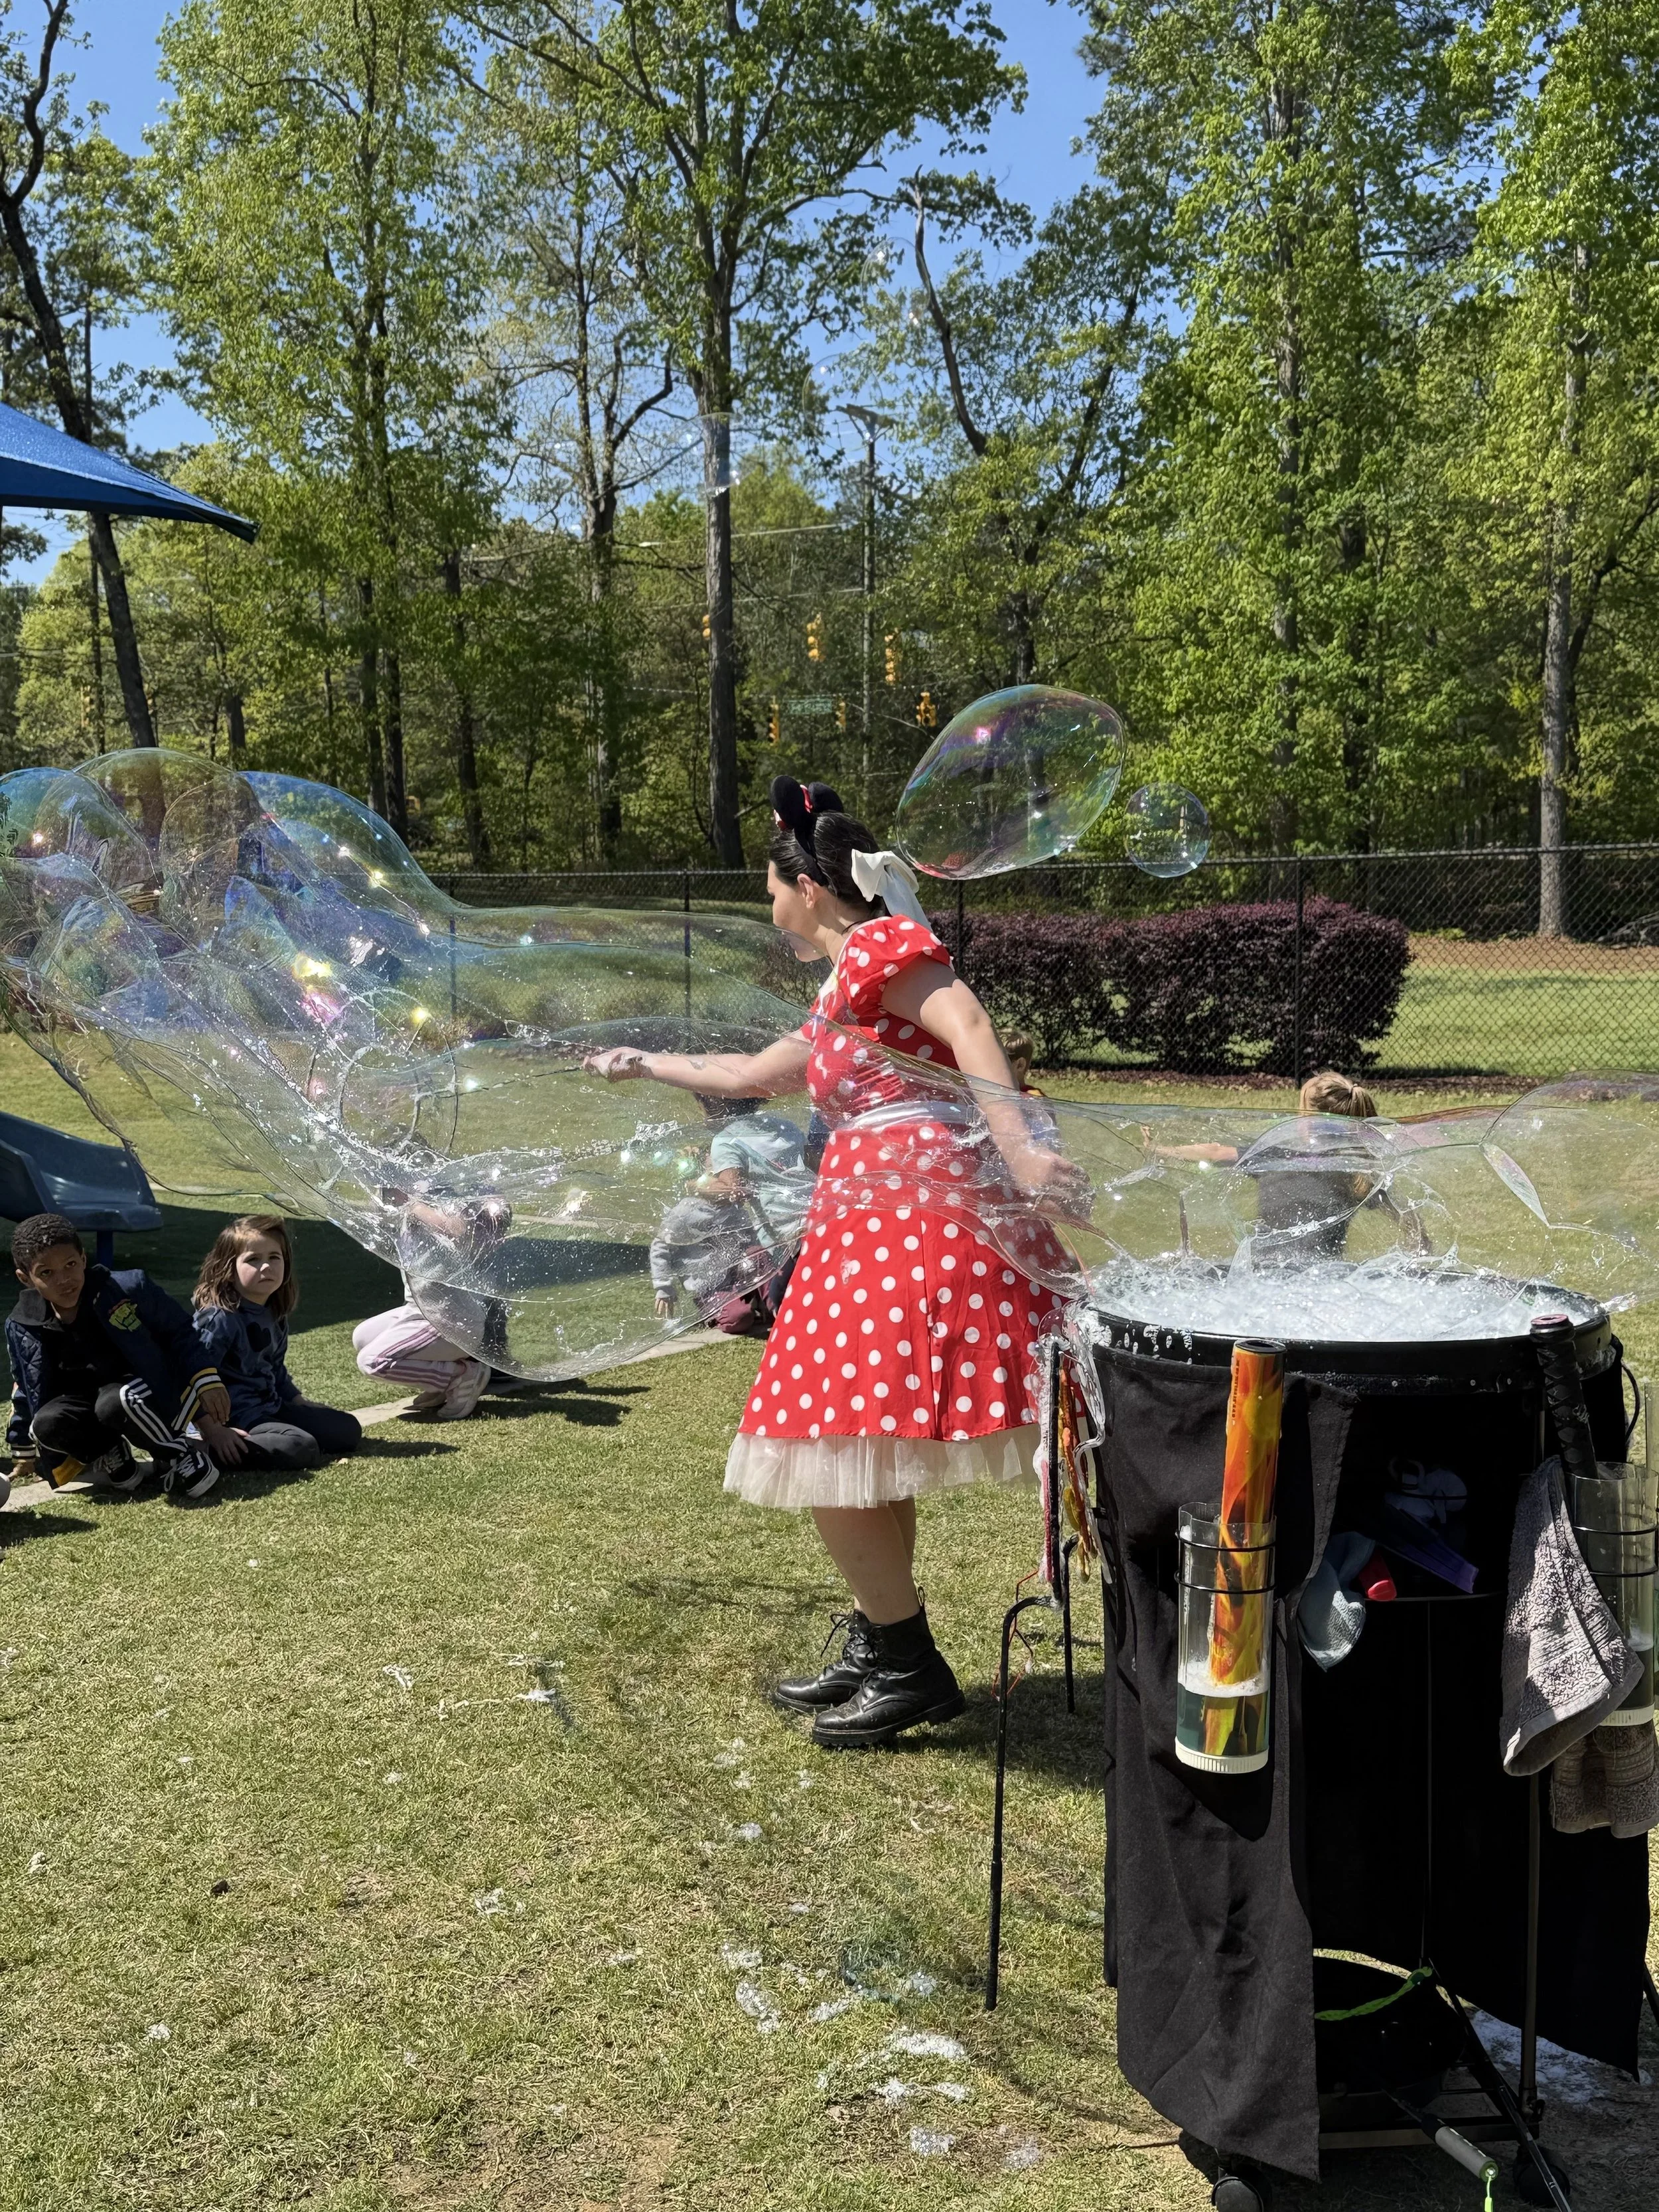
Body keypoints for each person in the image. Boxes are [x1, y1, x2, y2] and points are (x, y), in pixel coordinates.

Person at [586, 776, 1079, 1749]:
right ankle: (882, 1642)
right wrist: (643, 1060)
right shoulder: (844, 982)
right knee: (857, 1441)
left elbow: (969, 1024)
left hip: (909, 1214)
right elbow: (748, 1076)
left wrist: (1021, 1150)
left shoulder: (888, 946)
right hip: (871, 1217)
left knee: (819, 1438)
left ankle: (907, 1663)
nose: (766, 908)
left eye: (768, 888)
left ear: (806, 887)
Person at [5, 1212, 225, 1497]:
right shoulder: (22, 1323)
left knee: (116, 1401)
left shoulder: (127, 1288)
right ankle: (111, 1452)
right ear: (26, 1279)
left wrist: (205, 1379)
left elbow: (181, 1332)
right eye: (46, 1273)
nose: (63, 1279)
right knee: (45, 1423)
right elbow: (24, 1385)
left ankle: (178, 1454)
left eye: (70, 1264)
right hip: (86, 1405)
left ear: (84, 1259)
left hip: (145, 1390)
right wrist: (22, 1447)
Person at [190, 1216, 363, 1471]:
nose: (266, 1267)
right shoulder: (219, 1319)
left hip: (270, 1408)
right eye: (253, 1259)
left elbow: (274, 1368)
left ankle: (273, 1435)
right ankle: (196, 1451)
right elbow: (189, 1376)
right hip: (232, 1419)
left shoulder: (273, 1312)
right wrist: (213, 1430)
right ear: (227, 1268)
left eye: (274, 1257)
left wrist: (299, 1403)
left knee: (347, 1429)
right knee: (299, 1447)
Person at [351, 1194, 508, 1418]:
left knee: (372, 1362)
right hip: (420, 1311)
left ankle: (462, 1376)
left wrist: (410, 1203)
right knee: (362, 1337)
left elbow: (457, 1229)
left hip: (451, 1323)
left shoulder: (439, 1202)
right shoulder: (411, 1208)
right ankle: (440, 1385)